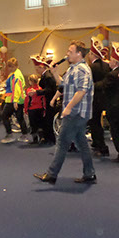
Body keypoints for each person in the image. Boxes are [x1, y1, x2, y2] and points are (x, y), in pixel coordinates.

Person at [34, 41, 96, 184]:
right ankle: (89, 173)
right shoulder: (73, 69)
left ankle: (52, 174)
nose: (67, 54)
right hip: (77, 112)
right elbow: (63, 85)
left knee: (62, 142)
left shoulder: (81, 70)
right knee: (81, 143)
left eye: (70, 51)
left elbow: (82, 91)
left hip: (76, 113)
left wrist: (68, 107)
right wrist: (55, 73)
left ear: (79, 53)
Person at [87, 37, 111, 156]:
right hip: (106, 97)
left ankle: (100, 146)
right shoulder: (107, 65)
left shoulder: (91, 68)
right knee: (98, 123)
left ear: (92, 54)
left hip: (95, 98)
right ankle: (98, 143)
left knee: (95, 123)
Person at [31, 54, 58, 145]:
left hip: (49, 101)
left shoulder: (47, 76)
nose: (36, 70)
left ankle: (50, 139)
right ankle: (47, 138)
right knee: (46, 120)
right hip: (46, 101)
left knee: (48, 120)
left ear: (41, 67)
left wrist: (37, 92)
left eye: (37, 68)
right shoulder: (46, 75)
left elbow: (49, 90)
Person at [0, 58, 29, 144]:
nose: (10, 68)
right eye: (9, 67)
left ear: (16, 66)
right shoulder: (14, 73)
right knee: (20, 117)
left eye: (12, 66)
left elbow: (17, 89)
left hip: (13, 100)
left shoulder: (16, 75)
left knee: (4, 115)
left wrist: (15, 101)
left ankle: (9, 135)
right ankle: (24, 135)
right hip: (17, 99)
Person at [24, 74, 45, 145]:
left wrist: (26, 109)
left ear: (30, 81)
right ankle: (42, 137)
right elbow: (43, 100)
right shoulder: (40, 89)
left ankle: (35, 139)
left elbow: (26, 101)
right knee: (40, 124)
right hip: (40, 108)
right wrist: (44, 109)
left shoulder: (29, 90)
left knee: (33, 125)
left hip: (32, 109)